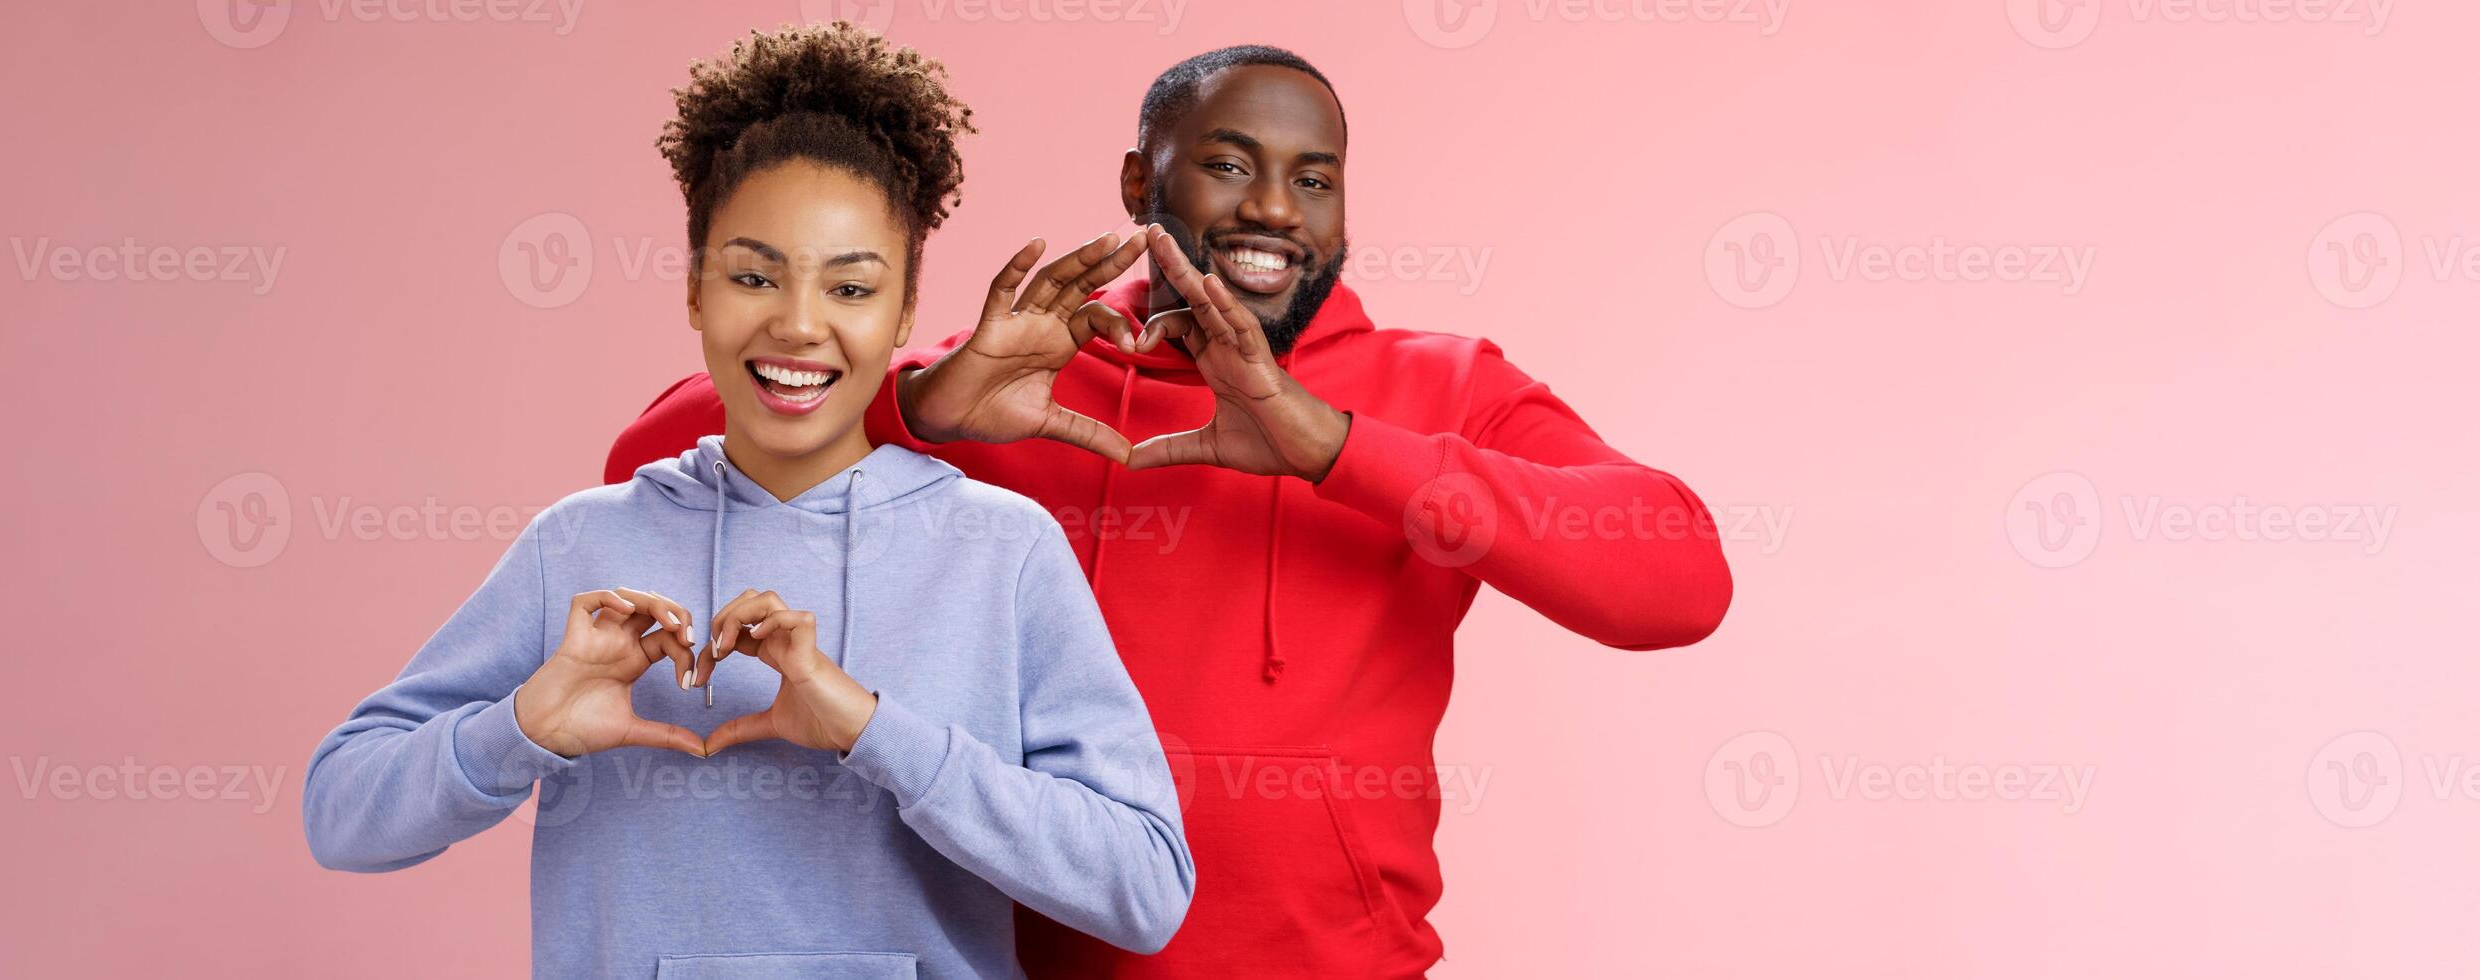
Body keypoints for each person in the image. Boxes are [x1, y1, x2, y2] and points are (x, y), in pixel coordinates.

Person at [602, 43, 1736, 978]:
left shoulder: (1438, 387)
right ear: (1140, 186)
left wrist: (1332, 445)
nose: (1271, 210)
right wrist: (916, 410)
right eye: (1229, 166)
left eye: (1312, 177)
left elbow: (1678, 575)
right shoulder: (1018, 383)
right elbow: (646, 463)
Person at [304, 24, 1193, 978]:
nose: (799, 323)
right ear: (695, 289)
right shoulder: (580, 546)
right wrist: (520, 726)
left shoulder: (999, 551)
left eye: (850, 286)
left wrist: (871, 730)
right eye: (754, 275)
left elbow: (1143, 890)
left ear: (902, 313)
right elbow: (341, 817)